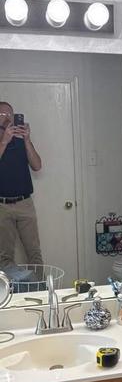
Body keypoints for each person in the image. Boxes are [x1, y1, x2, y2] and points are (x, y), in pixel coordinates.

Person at [0, 101, 43, 269]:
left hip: (25, 203)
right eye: (2, 115)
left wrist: (27, 140)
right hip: (2, 206)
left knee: (34, 252)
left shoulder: (20, 141)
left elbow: (37, 166)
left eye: (10, 114)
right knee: (4, 255)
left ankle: (39, 291)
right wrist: (4, 141)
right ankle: (9, 293)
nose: (7, 118)